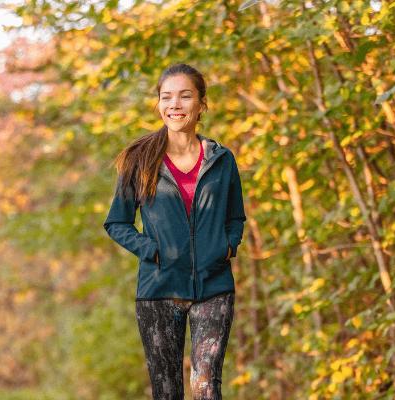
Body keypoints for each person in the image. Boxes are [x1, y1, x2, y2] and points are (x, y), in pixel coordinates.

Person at [104, 63, 245, 400]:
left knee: (206, 387)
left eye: (185, 96)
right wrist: (153, 251)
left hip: (214, 286)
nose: (175, 105)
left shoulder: (222, 159)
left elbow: (236, 218)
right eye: (166, 97)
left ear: (201, 104)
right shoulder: (141, 160)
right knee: (167, 391)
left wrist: (227, 247)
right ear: (159, 105)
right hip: (158, 290)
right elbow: (117, 222)